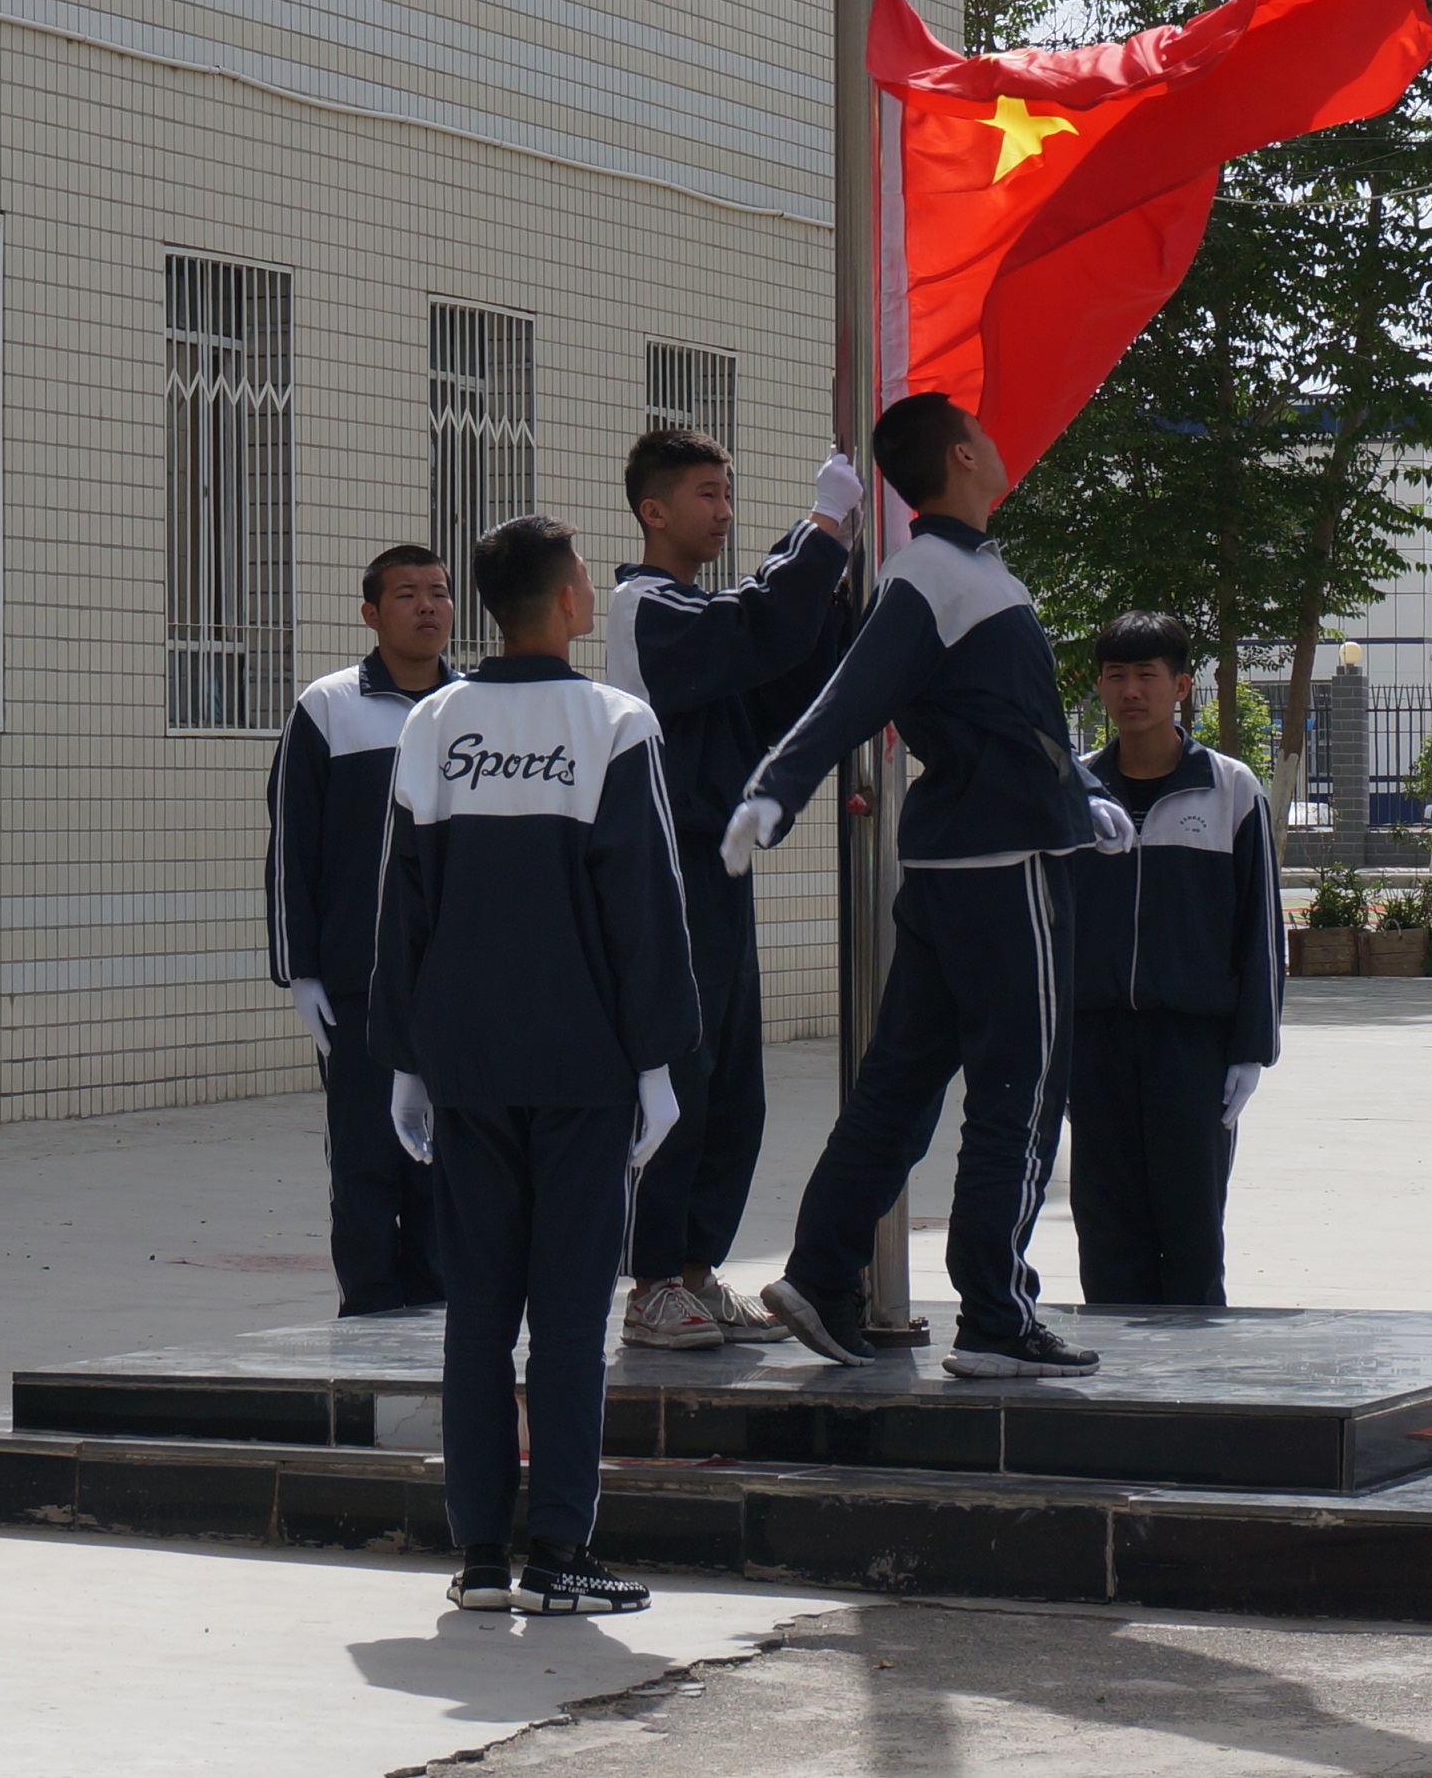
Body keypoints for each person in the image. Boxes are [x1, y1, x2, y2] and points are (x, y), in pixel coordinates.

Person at [724, 391, 1134, 1380]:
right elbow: (855, 694)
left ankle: (823, 1272)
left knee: (898, 1090)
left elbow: (1000, 715)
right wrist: (775, 786)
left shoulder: (968, 571)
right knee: (1022, 1096)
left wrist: (1078, 787)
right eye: (985, 433)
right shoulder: (936, 573)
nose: (1001, 443)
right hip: (1006, 869)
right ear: (960, 453)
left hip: (966, 861)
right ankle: (993, 1313)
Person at [372, 514, 698, 1616]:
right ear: (568, 601)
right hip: (581, 1067)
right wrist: (656, 1060)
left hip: (464, 1064)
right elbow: (640, 905)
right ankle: (560, 1550)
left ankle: (477, 1559)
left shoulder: (434, 722)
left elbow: (403, 899)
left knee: (478, 1311)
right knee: (566, 1316)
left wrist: (406, 1057)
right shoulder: (611, 720)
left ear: (479, 605)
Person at [605, 428, 861, 1351]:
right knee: (679, 1073)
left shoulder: (701, 616)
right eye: (706, 495)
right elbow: (755, 628)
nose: (721, 510)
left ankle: (695, 1269)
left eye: (727, 493)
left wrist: (838, 590)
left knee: (731, 1083)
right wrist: (822, 528)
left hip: (718, 871)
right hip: (666, 871)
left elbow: (773, 673)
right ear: (654, 510)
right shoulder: (646, 609)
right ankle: (649, 1283)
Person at [1059, 611, 1280, 1307]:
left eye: (1147, 676)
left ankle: (1198, 1397)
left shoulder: (1231, 790)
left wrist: (1251, 1052)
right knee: (1106, 1233)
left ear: (1181, 686)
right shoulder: (1072, 791)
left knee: (1190, 1237)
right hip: (1095, 1043)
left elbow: (1260, 932)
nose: (1131, 691)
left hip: (1193, 1048)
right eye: (1116, 676)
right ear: (1099, 686)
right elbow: (1050, 922)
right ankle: (1119, 1395)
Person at [265, 544, 459, 1314]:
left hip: (454, 984)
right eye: (407, 594)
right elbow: (292, 846)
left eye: (439, 592)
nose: (427, 607)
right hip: (358, 985)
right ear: (371, 614)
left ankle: (446, 1304)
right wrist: (301, 972)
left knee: (448, 1155)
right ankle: (373, 1307)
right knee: (367, 1154)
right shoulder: (328, 707)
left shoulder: (471, 710)